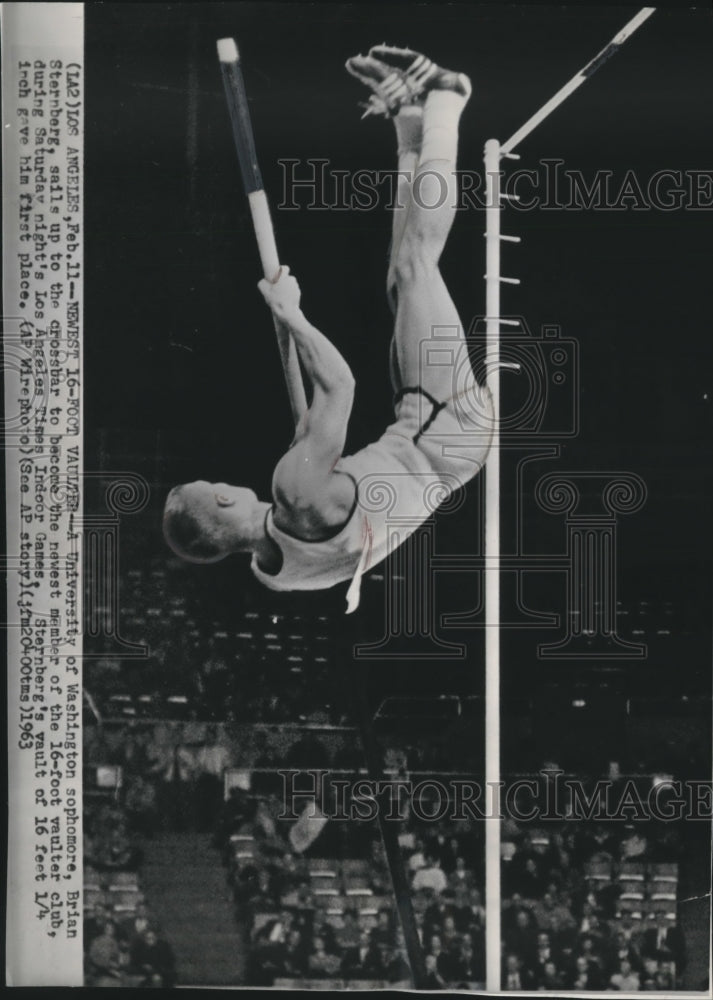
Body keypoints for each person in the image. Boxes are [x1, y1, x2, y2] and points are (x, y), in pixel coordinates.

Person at [163, 46, 492, 613]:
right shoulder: (293, 489)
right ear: (220, 498)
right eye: (208, 482)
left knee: (399, 278)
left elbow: (316, 523)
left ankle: (408, 120)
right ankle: (447, 99)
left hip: (434, 444)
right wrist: (291, 312)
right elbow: (339, 387)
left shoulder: (280, 571)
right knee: (417, 265)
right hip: (442, 431)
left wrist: (310, 439)